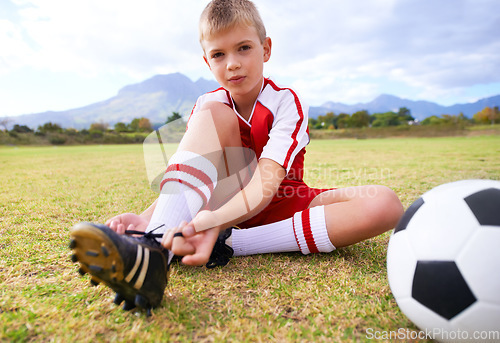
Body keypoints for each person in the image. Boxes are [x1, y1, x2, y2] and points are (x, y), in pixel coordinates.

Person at [69, 0, 404, 316]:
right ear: (207, 61)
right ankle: (156, 246)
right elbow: (191, 180)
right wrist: (147, 219)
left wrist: (215, 224)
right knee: (215, 113)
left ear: (266, 49)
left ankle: (227, 243)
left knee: (384, 204)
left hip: (277, 200)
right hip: (216, 204)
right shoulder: (208, 105)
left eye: (244, 48)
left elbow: (264, 187)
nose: (232, 63)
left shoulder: (285, 102)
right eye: (218, 54)